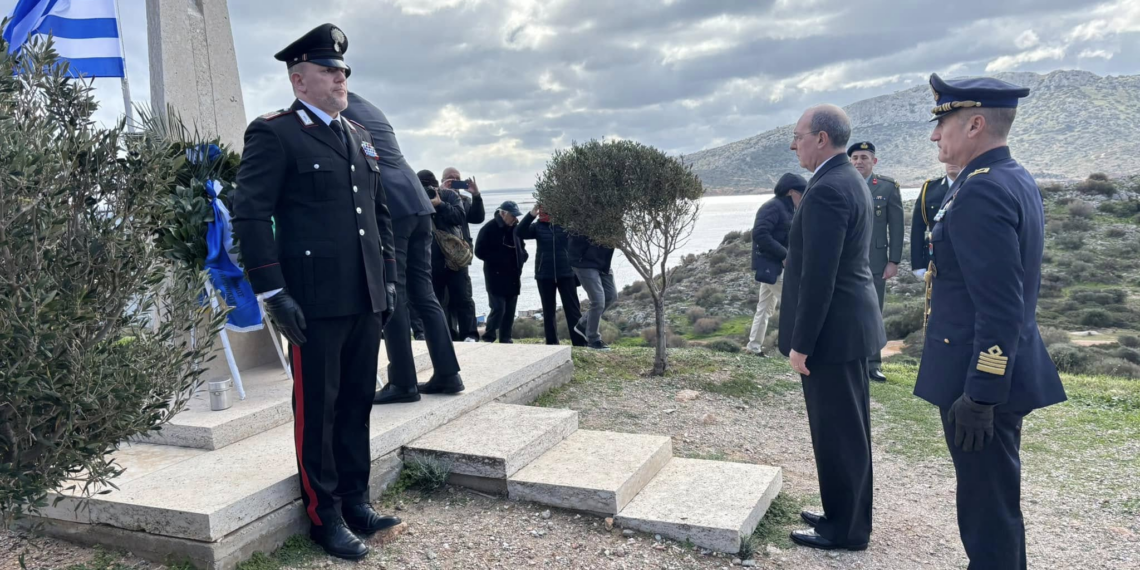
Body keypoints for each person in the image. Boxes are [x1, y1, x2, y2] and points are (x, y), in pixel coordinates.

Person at [231, 23, 400, 560]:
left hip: (364, 297)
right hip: (313, 301)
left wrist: (388, 279)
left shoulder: (358, 135)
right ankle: (322, 516)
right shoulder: (274, 132)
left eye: (343, 71)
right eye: (329, 71)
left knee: (356, 403)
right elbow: (250, 213)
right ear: (299, 80)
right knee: (318, 410)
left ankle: (355, 499)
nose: (340, 78)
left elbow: (378, 215)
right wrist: (272, 292)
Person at [918, 73, 1066, 570]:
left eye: (944, 123)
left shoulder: (981, 191)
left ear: (976, 124)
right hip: (996, 372)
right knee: (993, 502)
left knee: (987, 510)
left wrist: (980, 393)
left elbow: (999, 306)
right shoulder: (1012, 176)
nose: (936, 136)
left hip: (979, 381)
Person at [780, 104, 886, 552]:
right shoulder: (848, 178)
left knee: (839, 432)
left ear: (821, 138)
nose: (794, 144)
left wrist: (801, 344)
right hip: (848, 327)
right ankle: (842, 512)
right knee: (845, 429)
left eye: (799, 136)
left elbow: (819, 276)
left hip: (832, 333)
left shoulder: (826, 189)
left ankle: (846, 530)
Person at [341, 94, 464, 404]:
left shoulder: (339, 109)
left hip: (390, 205)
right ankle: (448, 374)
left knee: (392, 290)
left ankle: (403, 382)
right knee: (424, 293)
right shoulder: (369, 106)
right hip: (417, 201)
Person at [847, 141, 902, 382]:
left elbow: (897, 228)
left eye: (864, 158)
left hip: (876, 261)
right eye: (855, 158)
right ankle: (850, 360)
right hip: (847, 262)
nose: (859, 162)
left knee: (873, 312)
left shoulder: (887, 188)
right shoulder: (843, 184)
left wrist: (894, 261)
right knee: (846, 310)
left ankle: (872, 364)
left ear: (874, 161)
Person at [747, 173, 806, 356]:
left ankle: (753, 347)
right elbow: (760, 234)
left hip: (773, 268)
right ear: (791, 192)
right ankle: (799, 349)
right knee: (796, 306)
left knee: (764, 308)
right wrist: (785, 255)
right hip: (774, 268)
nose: (804, 197)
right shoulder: (773, 207)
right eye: (801, 193)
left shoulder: (787, 208)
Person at [415, 169, 476, 343]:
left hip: (454, 258)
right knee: (436, 302)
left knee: (463, 298)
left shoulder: (449, 196)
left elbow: (459, 217)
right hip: (429, 260)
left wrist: (440, 204)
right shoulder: (416, 197)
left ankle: (470, 335)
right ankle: (443, 336)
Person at [517, 203, 587, 346]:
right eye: (541, 209)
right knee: (548, 312)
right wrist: (531, 215)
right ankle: (552, 344)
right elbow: (519, 232)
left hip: (566, 273)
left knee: (573, 310)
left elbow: (582, 231)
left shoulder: (567, 225)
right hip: (544, 275)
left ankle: (580, 343)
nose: (543, 212)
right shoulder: (537, 227)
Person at [475, 201, 528, 343]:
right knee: (498, 308)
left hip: (513, 275)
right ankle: (489, 337)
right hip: (495, 276)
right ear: (503, 213)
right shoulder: (489, 228)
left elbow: (522, 247)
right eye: (513, 216)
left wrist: (523, 256)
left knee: (510, 311)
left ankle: (506, 338)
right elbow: (479, 251)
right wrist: (499, 259)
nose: (516, 219)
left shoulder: (516, 229)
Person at [442, 167, 484, 341]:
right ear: (442, 180)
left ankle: (470, 335)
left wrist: (476, 195)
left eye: (457, 178)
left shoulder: (464, 201)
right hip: (441, 256)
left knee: (464, 296)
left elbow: (478, 217)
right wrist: (443, 192)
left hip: (460, 256)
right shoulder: (437, 198)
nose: (454, 181)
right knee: (443, 300)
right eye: (450, 178)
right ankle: (448, 335)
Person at [910, 163, 961, 279]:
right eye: (949, 159)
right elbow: (918, 228)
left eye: (955, 158)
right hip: (936, 262)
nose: (952, 162)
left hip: (968, 261)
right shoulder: (930, 188)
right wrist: (917, 264)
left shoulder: (975, 185)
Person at [569, 234, 617, 350]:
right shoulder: (581, 217)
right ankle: (593, 340)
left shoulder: (613, 217)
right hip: (584, 262)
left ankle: (583, 324)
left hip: (603, 263)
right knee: (598, 301)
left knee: (611, 296)